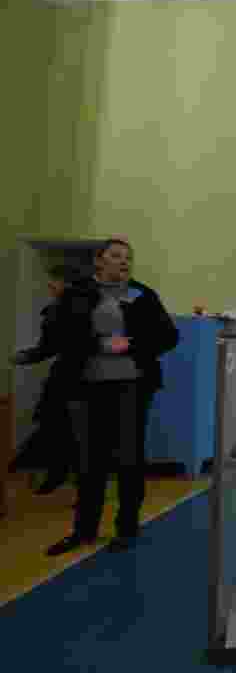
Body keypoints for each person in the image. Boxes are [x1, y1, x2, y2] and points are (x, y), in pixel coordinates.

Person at [45, 238, 180, 556]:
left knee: (129, 460)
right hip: (87, 388)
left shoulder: (143, 295)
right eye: (116, 256)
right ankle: (84, 530)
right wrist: (99, 345)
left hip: (132, 387)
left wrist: (132, 344)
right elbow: (59, 336)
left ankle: (127, 528)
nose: (124, 262)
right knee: (89, 461)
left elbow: (168, 336)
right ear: (99, 261)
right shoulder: (77, 293)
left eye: (128, 258)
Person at [8, 266, 81, 495]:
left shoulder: (74, 308)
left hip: (79, 378)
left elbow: (49, 347)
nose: (50, 285)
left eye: (55, 281)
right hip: (70, 376)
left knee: (68, 428)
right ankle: (58, 474)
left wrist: (27, 356)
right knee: (57, 425)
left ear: (67, 283)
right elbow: (49, 346)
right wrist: (27, 356)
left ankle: (69, 478)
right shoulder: (57, 309)